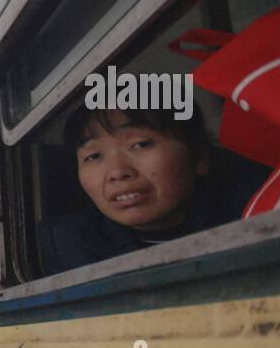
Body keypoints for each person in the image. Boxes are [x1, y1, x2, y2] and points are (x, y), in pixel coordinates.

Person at [38, 106, 248, 275]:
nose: (118, 172)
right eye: (93, 156)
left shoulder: (254, 213)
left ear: (200, 158)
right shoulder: (64, 246)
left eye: (141, 144)